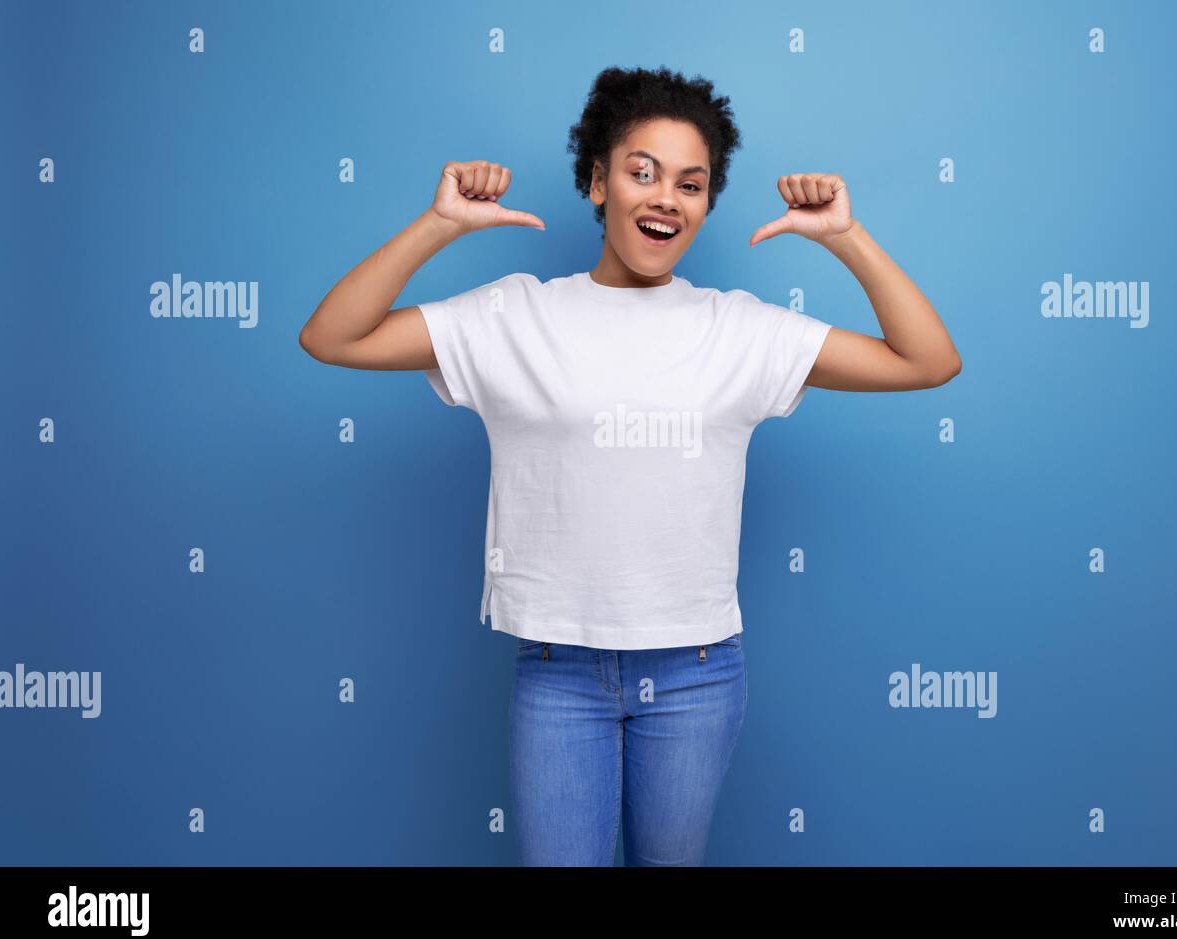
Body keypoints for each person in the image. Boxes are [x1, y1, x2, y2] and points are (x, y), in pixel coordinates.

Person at [298, 65, 960, 866]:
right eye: (640, 172)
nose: (664, 197)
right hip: (560, 671)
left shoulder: (741, 331)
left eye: (691, 182)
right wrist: (438, 228)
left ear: (706, 205)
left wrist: (845, 237)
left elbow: (928, 361)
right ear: (595, 182)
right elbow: (332, 337)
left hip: (697, 672)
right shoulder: (517, 314)